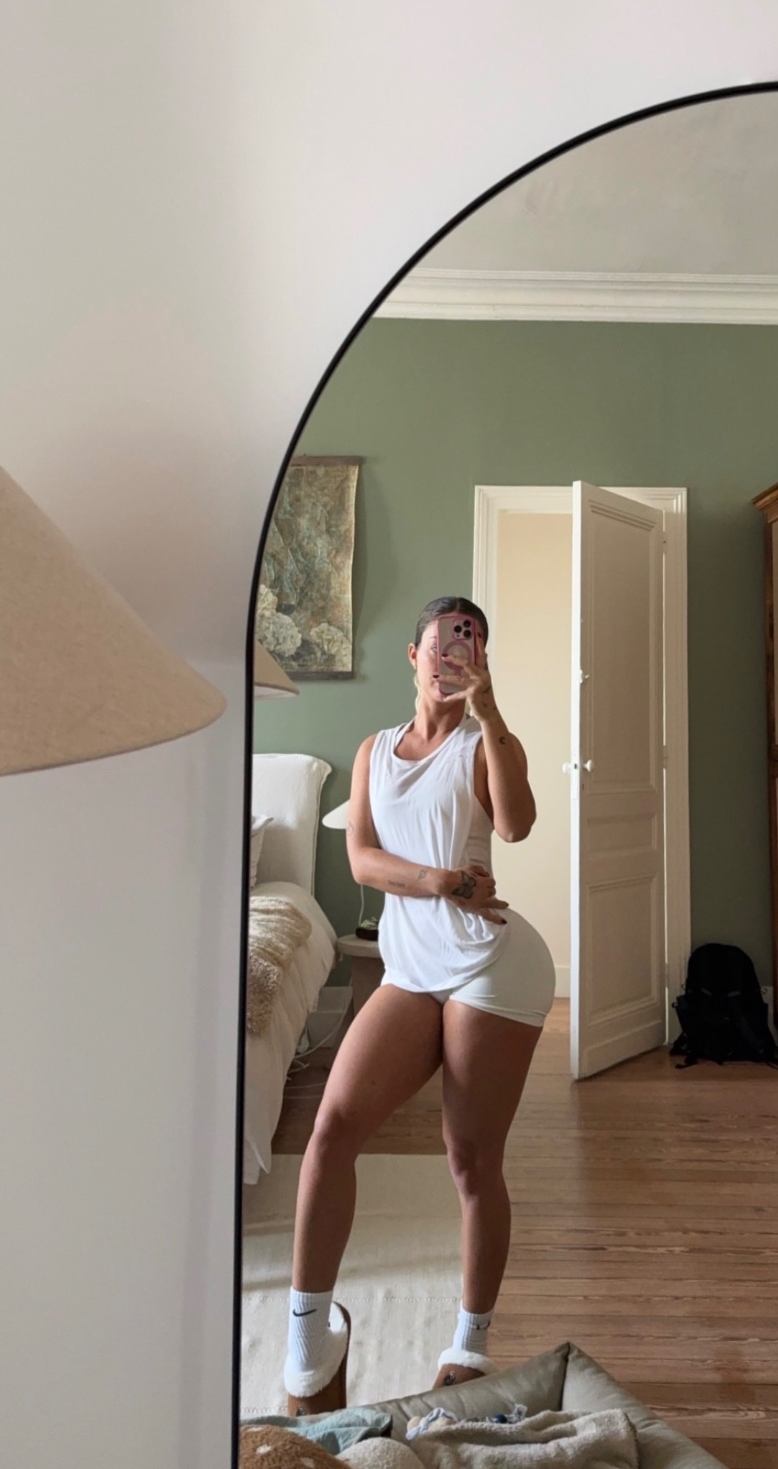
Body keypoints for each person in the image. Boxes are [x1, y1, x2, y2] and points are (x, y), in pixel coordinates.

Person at [284, 596, 556, 1413]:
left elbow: (517, 825)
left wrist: (490, 710)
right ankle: (307, 1341)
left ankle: (469, 1345)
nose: (452, 658)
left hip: (491, 966)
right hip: (412, 965)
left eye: (469, 645)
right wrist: (436, 880)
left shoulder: (484, 742)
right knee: (331, 1131)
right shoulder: (375, 749)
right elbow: (362, 860)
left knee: (470, 1159)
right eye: (441, 644)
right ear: (412, 655)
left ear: (481, 659)